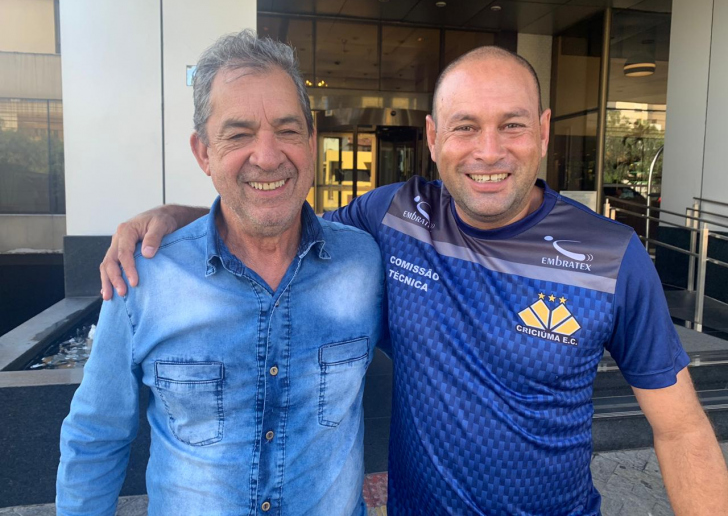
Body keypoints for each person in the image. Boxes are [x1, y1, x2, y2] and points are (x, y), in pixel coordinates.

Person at [100, 45, 728, 515]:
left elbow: (682, 430)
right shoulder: (395, 215)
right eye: (464, 126)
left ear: (541, 132)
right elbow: (273, 217)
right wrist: (178, 219)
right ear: (432, 138)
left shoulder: (609, 254)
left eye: (511, 124)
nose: (488, 151)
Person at [57, 30, 385, 516]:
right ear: (203, 152)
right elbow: (95, 439)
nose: (269, 155)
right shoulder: (144, 278)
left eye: (289, 130)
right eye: (239, 134)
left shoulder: (363, 263)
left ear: (312, 143)